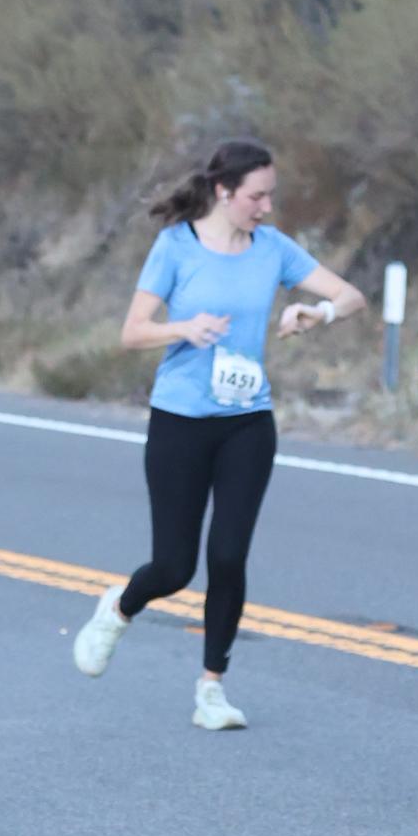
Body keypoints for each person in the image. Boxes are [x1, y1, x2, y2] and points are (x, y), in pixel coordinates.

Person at [72, 139, 367, 728]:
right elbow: (132, 332)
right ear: (223, 192)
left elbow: (350, 295)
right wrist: (183, 328)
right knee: (174, 568)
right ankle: (119, 609)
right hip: (179, 422)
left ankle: (212, 690)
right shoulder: (175, 247)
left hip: (247, 424)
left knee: (228, 556)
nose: (266, 207)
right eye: (256, 197)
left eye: (271, 196)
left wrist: (316, 313)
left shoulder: (273, 249)